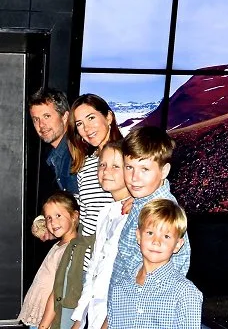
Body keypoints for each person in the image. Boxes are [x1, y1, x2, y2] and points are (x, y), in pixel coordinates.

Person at [108, 126, 191, 297]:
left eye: (144, 169)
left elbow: (177, 267)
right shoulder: (143, 201)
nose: (134, 178)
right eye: (129, 167)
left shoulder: (163, 213)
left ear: (164, 171)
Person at [107, 199, 203, 329]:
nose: (156, 242)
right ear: (138, 236)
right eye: (150, 233)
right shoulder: (119, 288)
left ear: (178, 245)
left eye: (166, 236)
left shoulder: (185, 293)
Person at [70, 141, 130, 329]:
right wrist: (79, 320)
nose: (105, 171)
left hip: (119, 318)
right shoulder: (105, 213)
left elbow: (128, 279)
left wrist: (108, 321)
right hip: (96, 315)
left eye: (115, 166)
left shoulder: (138, 214)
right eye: (102, 165)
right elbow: (94, 268)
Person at [68, 94, 122, 264]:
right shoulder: (85, 165)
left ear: (108, 117)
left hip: (115, 258)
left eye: (91, 118)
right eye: (79, 124)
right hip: (86, 259)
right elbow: (85, 213)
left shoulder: (129, 155)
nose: (86, 127)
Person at [18, 191, 79, 329]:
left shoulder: (71, 249)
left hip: (48, 320)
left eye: (58, 215)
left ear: (74, 216)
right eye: (48, 218)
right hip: (40, 316)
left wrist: (44, 325)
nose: (53, 222)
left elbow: (58, 291)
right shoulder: (59, 245)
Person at [28, 88, 78, 195]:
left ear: (65, 117)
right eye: (36, 119)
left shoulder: (76, 152)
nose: (41, 125)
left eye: (47, 116)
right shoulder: (55, 155)